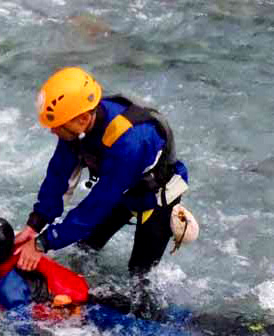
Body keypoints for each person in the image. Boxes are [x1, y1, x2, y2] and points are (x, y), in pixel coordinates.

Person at [0, 215, 272, 336]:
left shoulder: (9, 290)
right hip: (103, 295)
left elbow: (24, 334)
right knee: (181, 317)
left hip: (97, 316)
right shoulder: (12, 249)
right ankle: (255, 328)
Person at [14, 67, 193, 277]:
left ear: (82, 119)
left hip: (155, 199)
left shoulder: (130, 142)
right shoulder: (76, 127)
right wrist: (35, 225)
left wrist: (43, 243)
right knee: (83, 250)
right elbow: (58, 175)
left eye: (57, 126)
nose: (52, 131)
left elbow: (98, 204)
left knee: (139, 275)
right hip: (122, 191)